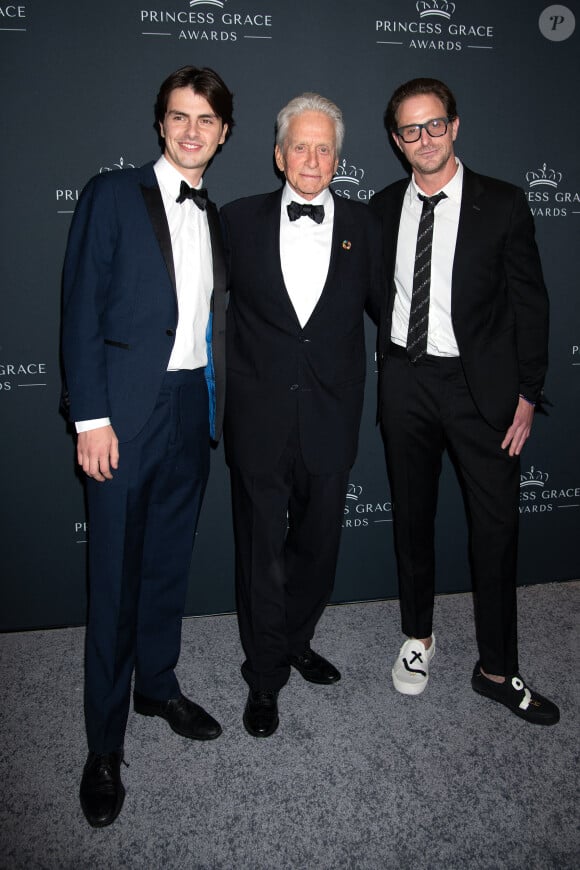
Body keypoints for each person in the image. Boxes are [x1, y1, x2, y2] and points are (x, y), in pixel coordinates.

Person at [61, 65, 233, 827]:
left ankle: (157, 687)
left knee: (167, 565)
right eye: (179, 116)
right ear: (160, 124)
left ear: (224, 133)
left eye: (206, 119)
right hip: (123, 418)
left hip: (190, 412)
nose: (192, 130)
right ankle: (104, 746)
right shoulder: (110, 195)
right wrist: (89, 417)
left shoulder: (215, 213)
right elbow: (79, 311)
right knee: (113, 583)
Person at [370, 77, 559, 725]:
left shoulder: (502, 204)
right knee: (412, 520)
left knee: (497, 530)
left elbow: (531, 308)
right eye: (409, 130)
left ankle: (498, 669)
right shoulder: (382, 204)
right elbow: (371, 293)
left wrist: (528, 393)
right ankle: (417, 638)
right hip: (405, 381)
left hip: (483, 392)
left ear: (456, 125)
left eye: (435, 125)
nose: (424, 139)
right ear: (397, 141)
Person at [221, 93, 382, 737]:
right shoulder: (235, 221)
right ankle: (264, 675)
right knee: (261, 551)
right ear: (279, 155)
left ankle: (294, 638)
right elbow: (191, 303)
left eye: (324, 149)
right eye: (300, 146)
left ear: (337, 159)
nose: (311, 159)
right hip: (257, 417)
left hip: (331, 416)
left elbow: (395, 316)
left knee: (318, 548)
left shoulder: (367, 226)